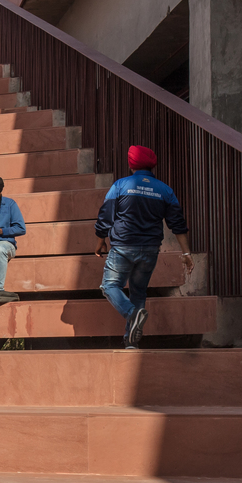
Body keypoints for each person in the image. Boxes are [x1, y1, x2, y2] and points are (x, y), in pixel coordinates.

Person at [93, 144, 193, 348]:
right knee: (138, 292)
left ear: (132, 165)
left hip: (123, 246)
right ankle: (132, 342)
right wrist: (186, 252)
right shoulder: (165, 190)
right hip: (149, 250)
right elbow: (177, 223)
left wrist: (100, 240)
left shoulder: (120, 185)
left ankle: (132, 313)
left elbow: (105, 216)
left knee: (110, 286)